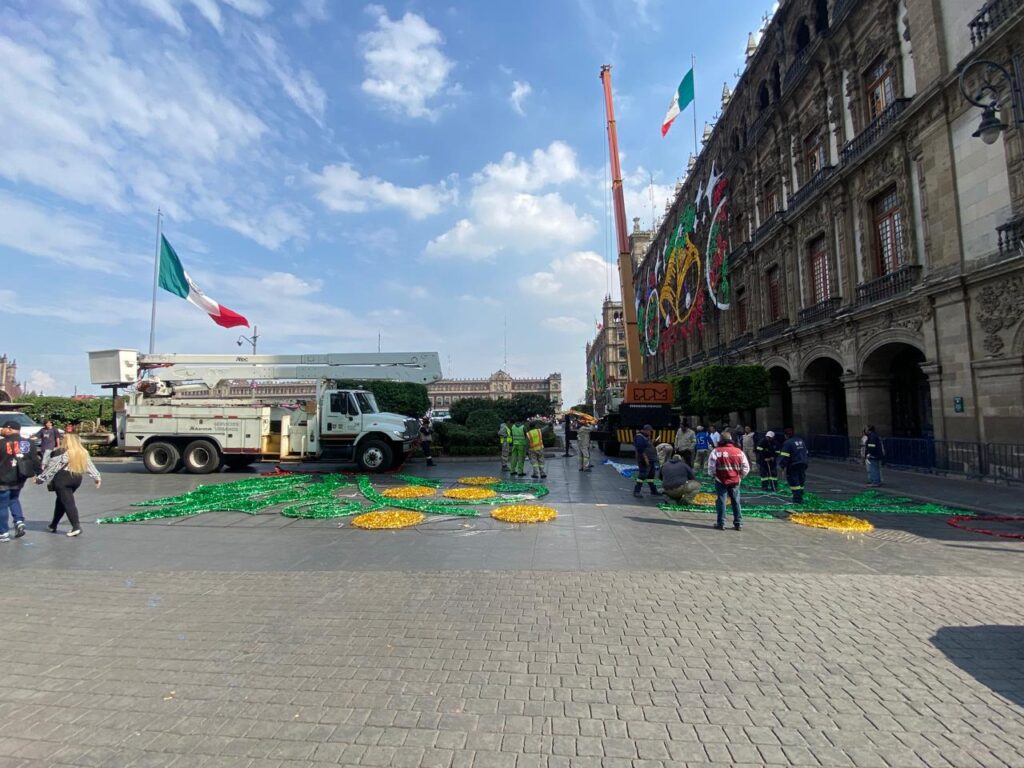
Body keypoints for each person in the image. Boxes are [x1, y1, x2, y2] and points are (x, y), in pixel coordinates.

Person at [35, 433, 101, 537]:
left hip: (63, 479)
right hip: (77, 478)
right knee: (61, 501)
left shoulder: (65, 452)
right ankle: (53, 525)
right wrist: (96, 477)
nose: (61, 441)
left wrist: (41, 478)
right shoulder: (83, 452)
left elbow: (54, 467)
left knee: (68, 503)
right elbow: (89, 465)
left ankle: (76, 527)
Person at [0, 420, 41, 541]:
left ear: (9, 428)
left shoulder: (1, 443)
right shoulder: (28, 443)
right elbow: (35, 460)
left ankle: (3, 532)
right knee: (14, 499)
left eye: (3, 428)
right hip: (20, 477)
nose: (1, 430)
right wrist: (39, 474)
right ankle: (19, 521)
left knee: (2, 505)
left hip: (2, 477)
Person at [707, 430, 750, 530]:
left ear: (721, 440)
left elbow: (711, 467)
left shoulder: (716, 451)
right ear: (731, 440)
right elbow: (746, 468)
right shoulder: (739, 452)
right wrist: (740, 477)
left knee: (721, 501)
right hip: (735, 480)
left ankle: (721, 523)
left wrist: (713, 475)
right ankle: (738, 523)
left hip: (720, 480)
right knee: (736, 501)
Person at [779, 427, 809, 503]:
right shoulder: (800, 440)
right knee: (801, 479)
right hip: (803, 463)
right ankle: (800, 494)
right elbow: (806, 452)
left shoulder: (787, 443)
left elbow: (785, 456)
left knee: (794, 481)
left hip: (793, 464)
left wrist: (782, 466)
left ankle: (797, 499)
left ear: (786, 435)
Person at [632, 425, 661, 498]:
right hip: (644, 460)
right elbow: (640, 449)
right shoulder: (639, 437)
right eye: (649, 431)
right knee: (642, 475)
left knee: (651, 476)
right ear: (645, 430)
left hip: (650, 460)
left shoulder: (645, 437)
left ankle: (653, 491)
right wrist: (645, 458)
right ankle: (636, 491)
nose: (650, 433)